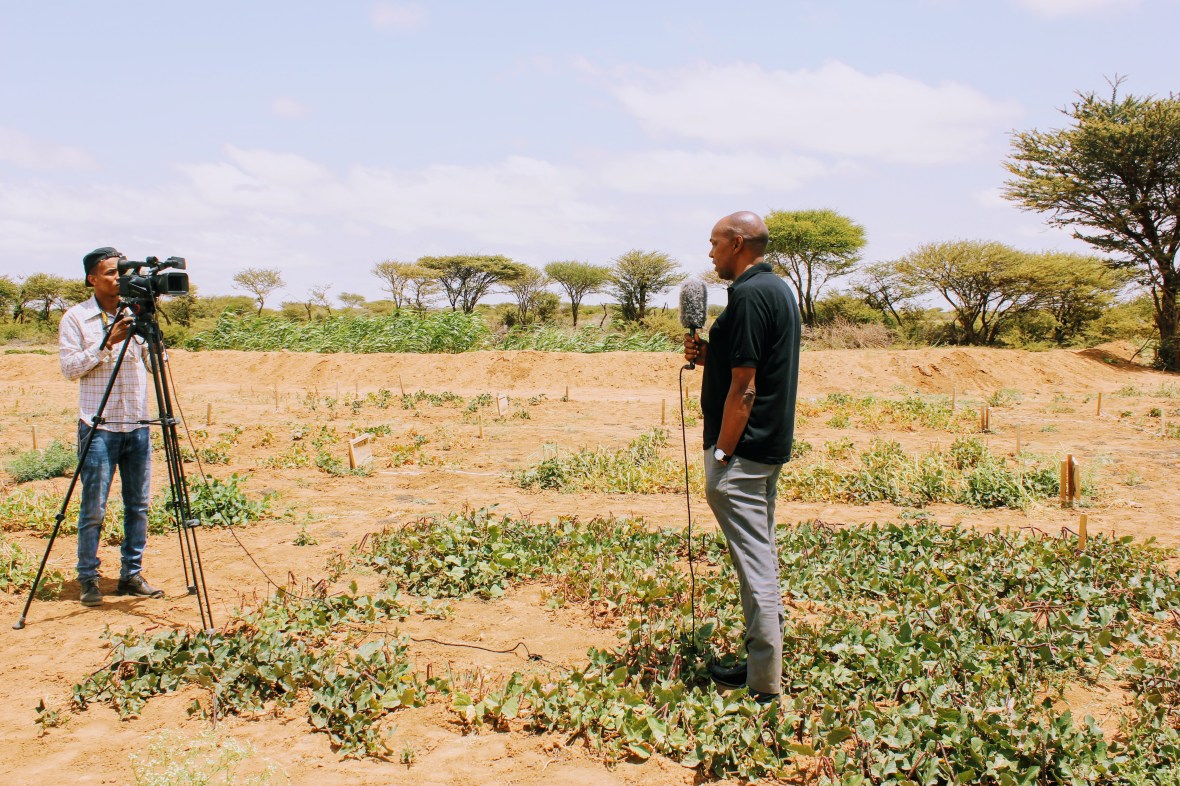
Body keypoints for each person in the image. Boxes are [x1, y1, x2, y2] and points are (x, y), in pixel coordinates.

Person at [683, 211, 801, 704]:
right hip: (766, 449)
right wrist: (709, 353)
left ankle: (763, 686)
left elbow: (746, 388)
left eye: (713, 243)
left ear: (736, 243)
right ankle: (759, 666)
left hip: (744, 453)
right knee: (760, 556)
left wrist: (724, 452)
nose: (709, 253)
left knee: (756, 567)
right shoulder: (777, 290)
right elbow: (754, 362)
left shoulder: (750, 295)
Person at [59, 246, 164, 607]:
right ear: (92, 278)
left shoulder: (135, 313)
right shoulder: (76, 318)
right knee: (94, 508)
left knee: (138, 506)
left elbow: (158, 366)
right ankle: (88, 577)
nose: (118, 278)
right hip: (99, 426)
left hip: (136, 423)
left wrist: (148, 327)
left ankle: (130, 575)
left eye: (122, 272)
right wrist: (108, 342)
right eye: (110, 273)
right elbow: (71, 369)